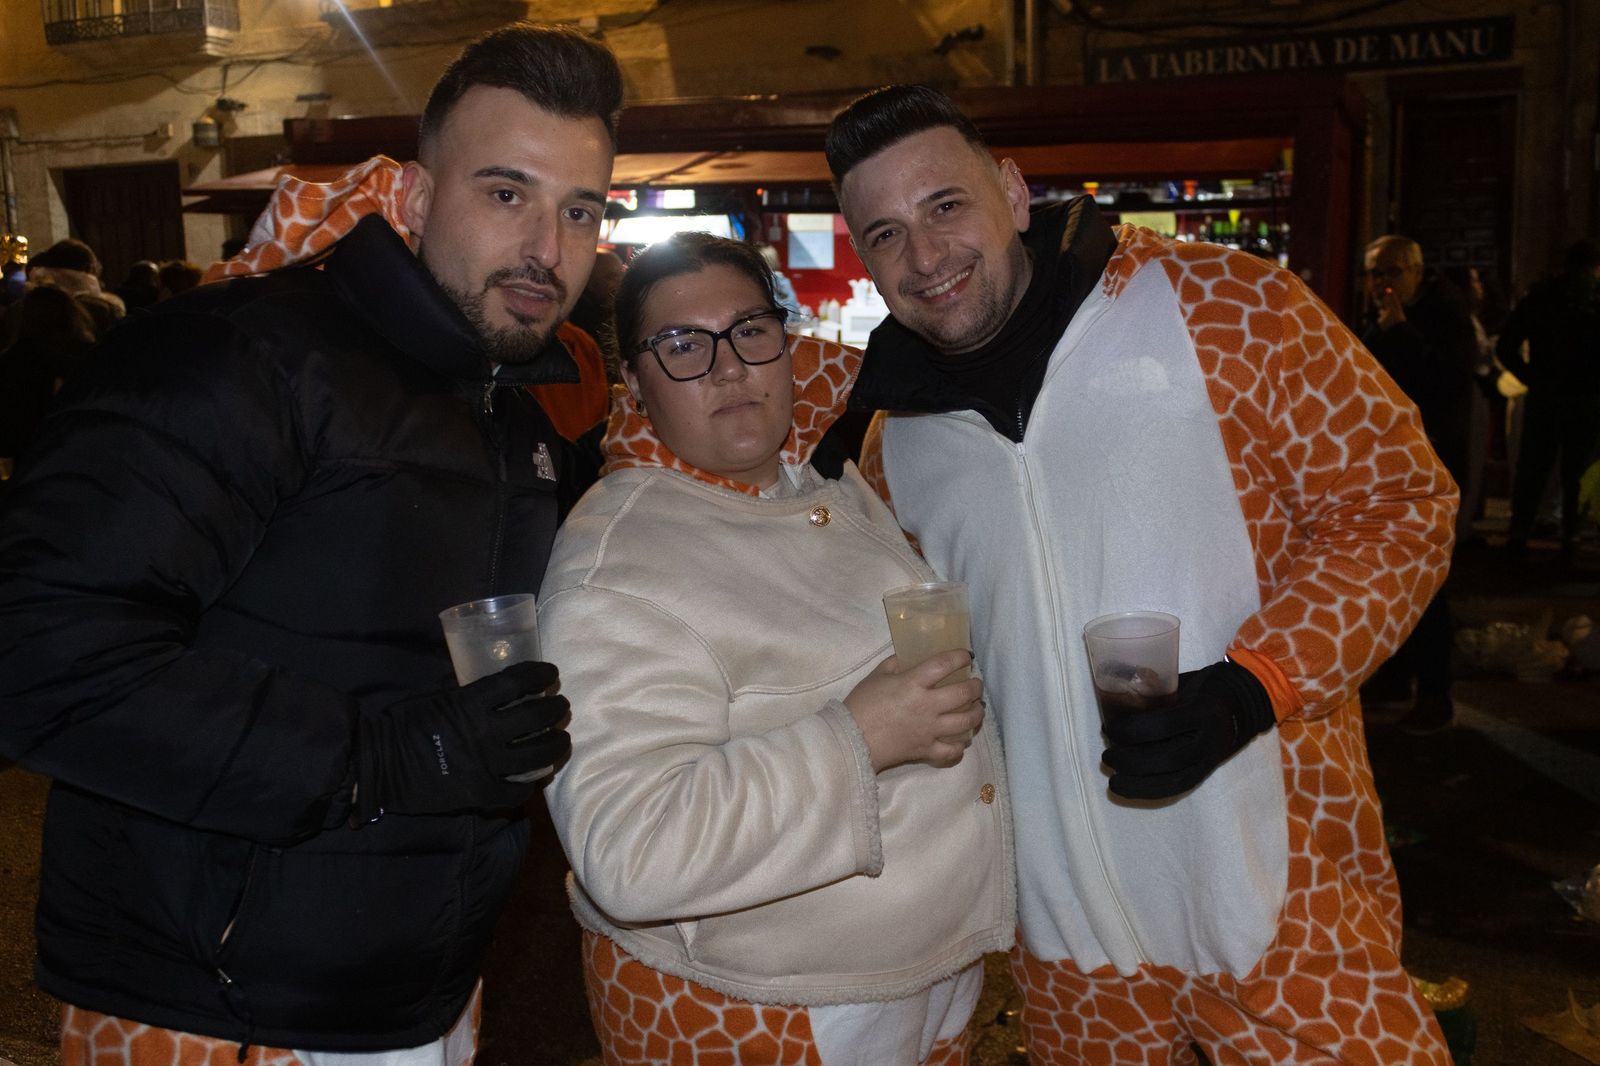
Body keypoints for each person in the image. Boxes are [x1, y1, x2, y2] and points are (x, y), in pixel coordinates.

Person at [0, 23, 623, 1066]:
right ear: (417, 200)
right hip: (210, 1012)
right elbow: (38, 650)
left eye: (580, 210)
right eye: (505, 193)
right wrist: (398, 751)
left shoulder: (513, 412)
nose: (545, 250)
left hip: (419, 1003)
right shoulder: (246, 355)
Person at [826, 85, 1455, 1065]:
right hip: (1069, 954)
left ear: (1011, 189)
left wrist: (1257, 684)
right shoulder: (892, 448)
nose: (926, 256)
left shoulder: (1229, 309)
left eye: (945, 205)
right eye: (886, 233)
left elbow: (1396, 502)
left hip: (1280, 913)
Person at [540, 232, 1012, 1065]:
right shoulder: (618, 564)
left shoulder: (815, 477)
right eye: (682, 345)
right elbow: (630, 849)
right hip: (769, 1010)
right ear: (635, 384)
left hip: (913, 978)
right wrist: (859, 738)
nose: (729, 368)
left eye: (751, 329)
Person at [1358, 235, 1478, 732]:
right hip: (1387, 466)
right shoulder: (1382, 318)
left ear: (1415, 272)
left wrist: (1403, 333)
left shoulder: (1446, 317)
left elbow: (1448, 383)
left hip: (1432, 467)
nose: (1381, 284)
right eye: (1373, 274)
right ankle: (1397, 675)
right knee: (1390, 577)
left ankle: (1434, 693)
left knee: (1428, 583)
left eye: (1391, 273)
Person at [1497, 239, 1600, 560]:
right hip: (1586, 400)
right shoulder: (1594, 300)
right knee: (1577, 472)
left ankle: (1519, 533)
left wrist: (1531, 378)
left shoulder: (1541, 298)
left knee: (1533, 468)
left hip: (1546, 397)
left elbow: (1506, 347)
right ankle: (1571, 535)